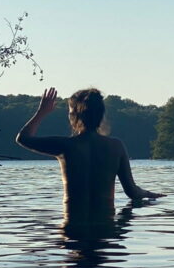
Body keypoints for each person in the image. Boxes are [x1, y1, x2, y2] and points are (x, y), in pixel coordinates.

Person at [16, 87, 164, 222]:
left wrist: (42, 112)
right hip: (106, 231)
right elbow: (133, 192)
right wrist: (150, 194)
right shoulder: (115, 146)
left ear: (74, 115)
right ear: (101, 115)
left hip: (72, 233)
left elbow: (23, 138)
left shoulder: (66, 146)